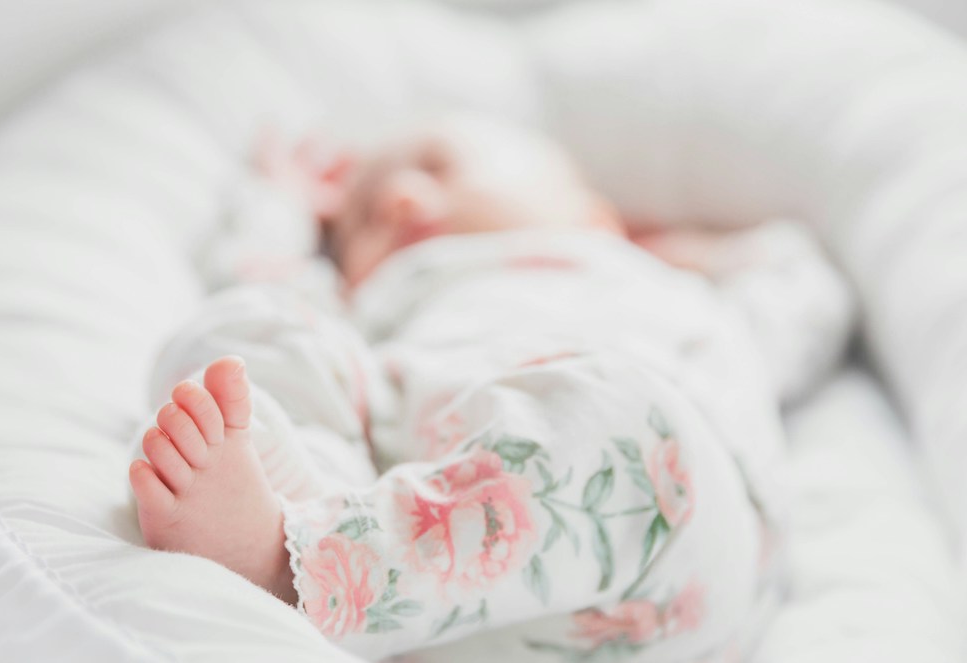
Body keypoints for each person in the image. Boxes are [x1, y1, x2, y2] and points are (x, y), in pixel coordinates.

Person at [128, 114, 851, 661]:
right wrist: (281, 200)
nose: (402, 198)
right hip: (442, 582)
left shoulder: (662, 291)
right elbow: (258, 272)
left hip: (661, 562)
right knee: (251, 327)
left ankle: (303, 566)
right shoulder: (377, 301)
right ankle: (306, 514)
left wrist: (662, 248)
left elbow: (807, 286)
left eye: (440, 166)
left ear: (593, 209)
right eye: (362, 220)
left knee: (620, 421)